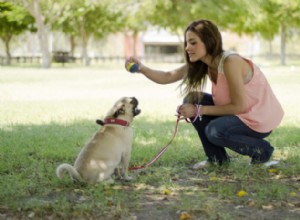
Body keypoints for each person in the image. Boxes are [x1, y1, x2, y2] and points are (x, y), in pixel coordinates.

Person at [125, 19, 284, 169]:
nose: (187, 48)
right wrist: (142, 68)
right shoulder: (204, 63)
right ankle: (217, 159)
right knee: (193, 98)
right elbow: (168, 76)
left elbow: (239, 106)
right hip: (239, 114)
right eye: (187, 43)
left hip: (256, 118)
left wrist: (198, 110)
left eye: (193, 43)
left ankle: (262, 151)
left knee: (215, 130)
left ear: (209, 42)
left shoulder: (231, 62)